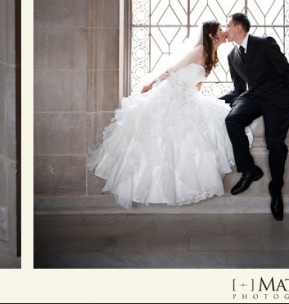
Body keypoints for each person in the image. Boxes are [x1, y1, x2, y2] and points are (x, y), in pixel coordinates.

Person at [87, 20, 243, 209]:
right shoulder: (200, 50)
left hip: (187, 95)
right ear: (211, 35)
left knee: (207, 125)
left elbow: (198, 81)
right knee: (159, 137)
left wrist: (197, 98)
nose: (224, 31)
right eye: (220, 29)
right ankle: (156, 187)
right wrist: (152, 82)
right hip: (171, 92)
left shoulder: (212, 54)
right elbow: (174, 68)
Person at [219, 12, 289, 221]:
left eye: (228, 25)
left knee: (275, 145)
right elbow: (238, 89)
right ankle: (249, 170)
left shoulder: (264, 43)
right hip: (254, 96)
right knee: (232, 120)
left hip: (277, 98)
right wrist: (216, 100)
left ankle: (276, 191)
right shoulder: (231, 56)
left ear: (238, 27)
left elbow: (286, 69)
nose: (225, 30)